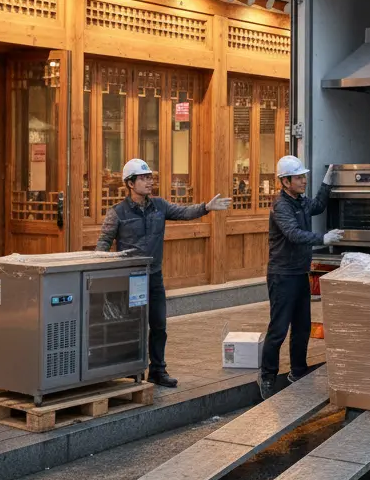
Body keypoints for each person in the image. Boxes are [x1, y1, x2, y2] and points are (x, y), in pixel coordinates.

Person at [96, 158, 231, 388]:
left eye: (150, 178)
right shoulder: (117, 212)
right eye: (143, 178)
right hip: (129, 279)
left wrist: (206, 207)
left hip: (154, 276)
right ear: (130, 183)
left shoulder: (160, 206)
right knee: (129, 324)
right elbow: (104, 242)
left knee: (159, 324)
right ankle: (129, 370)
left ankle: (158, 370)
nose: (149, 182)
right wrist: (101, 269)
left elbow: (184, 212)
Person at [259, 156, 343, 400]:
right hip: (281, 275)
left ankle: (298, 371)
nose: (303, 180)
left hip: (299, 273)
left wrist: (327, 183)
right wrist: (323, 238)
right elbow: (293, 234)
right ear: (285, 181)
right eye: (299, 177)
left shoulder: (301, 201)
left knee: (302, 327)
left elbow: (317, 206)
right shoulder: (281, 206)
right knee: (279, 328)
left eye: (304, 176)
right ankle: (267, 376)